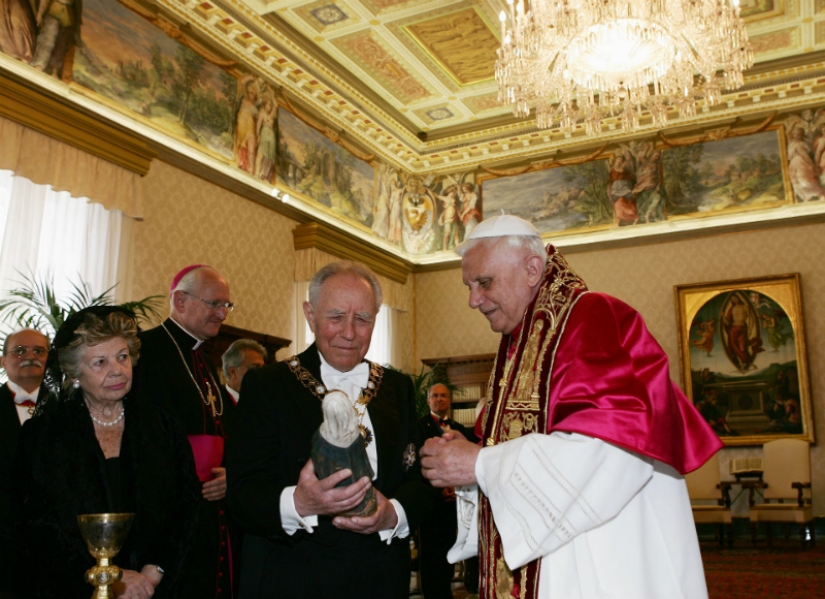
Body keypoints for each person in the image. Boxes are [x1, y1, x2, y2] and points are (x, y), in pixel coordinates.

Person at [420, 215, 722, 599]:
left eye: (484, 282)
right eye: (469, 286)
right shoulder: (519, 342)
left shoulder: (592, 318)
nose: (473, 300)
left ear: (532, 269)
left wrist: (478, 464)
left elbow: (610, 451)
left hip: (602, 558)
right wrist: (466, 468)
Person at [226, 260, 434, 599]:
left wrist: (390, 514)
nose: (349, 332)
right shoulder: (268, 385)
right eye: (336, 317)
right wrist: (300, 502)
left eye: (363, 319)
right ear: (310, 315)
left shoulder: (398, 387)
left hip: (380, 579)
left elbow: (420, 480)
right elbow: (241, 493)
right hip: (292, 577)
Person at [12, 306, 200, 598]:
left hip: (153, 589)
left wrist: (152, 574)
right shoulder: (43, 436)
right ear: (74, 373)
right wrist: (109, 576)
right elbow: (36, 523)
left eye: (122, 357)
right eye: (100, 362)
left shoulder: (164, 428)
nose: (117, 370)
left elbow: (185, 507)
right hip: (71, 587)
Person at [138, 265, 236, 599]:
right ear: (180, 301)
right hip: (167, 511)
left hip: (209, 508)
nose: (222, 313)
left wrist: (228, 474)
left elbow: (222, 431)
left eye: (227, 305)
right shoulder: (144, 352)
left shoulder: (203, 359)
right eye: (214, 304)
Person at [0, 328, 49, 594]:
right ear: (3, 360)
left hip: (52, 547)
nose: (29, 356)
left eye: (38, 351)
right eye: (19, 351)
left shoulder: (69, 410)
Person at [418, 383, 477, 599]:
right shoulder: (419, 427)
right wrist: (439, 491)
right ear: (428, 401)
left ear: (449, 400)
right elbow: (417, 466)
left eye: (443, 396)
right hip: (432, 505)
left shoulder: (460, 427)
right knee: (432, 557)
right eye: (435, 396)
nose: (440, 399)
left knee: (451, 552)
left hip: (455, 505)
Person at [221, 338, 267, 404]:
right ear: (233, 372)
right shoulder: (217, 403)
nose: (261, 375)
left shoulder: (264, 403)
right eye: (255, 368)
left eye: (262, 369)